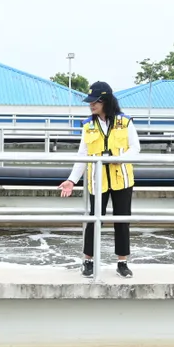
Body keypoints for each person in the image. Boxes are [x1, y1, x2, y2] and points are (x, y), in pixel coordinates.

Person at [59, 81, 140, 278]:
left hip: (122, 178)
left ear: (106, 101)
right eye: (90, 102)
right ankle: (88, 261)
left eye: (95, 101)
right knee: (94, 221)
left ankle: (122, 262)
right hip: (97, 180)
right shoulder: (88, 125)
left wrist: (117, 160)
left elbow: (135, 148)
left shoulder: (125, 122)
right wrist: (71, 180)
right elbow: (82, 154)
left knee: (122, 221)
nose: (91, 105)